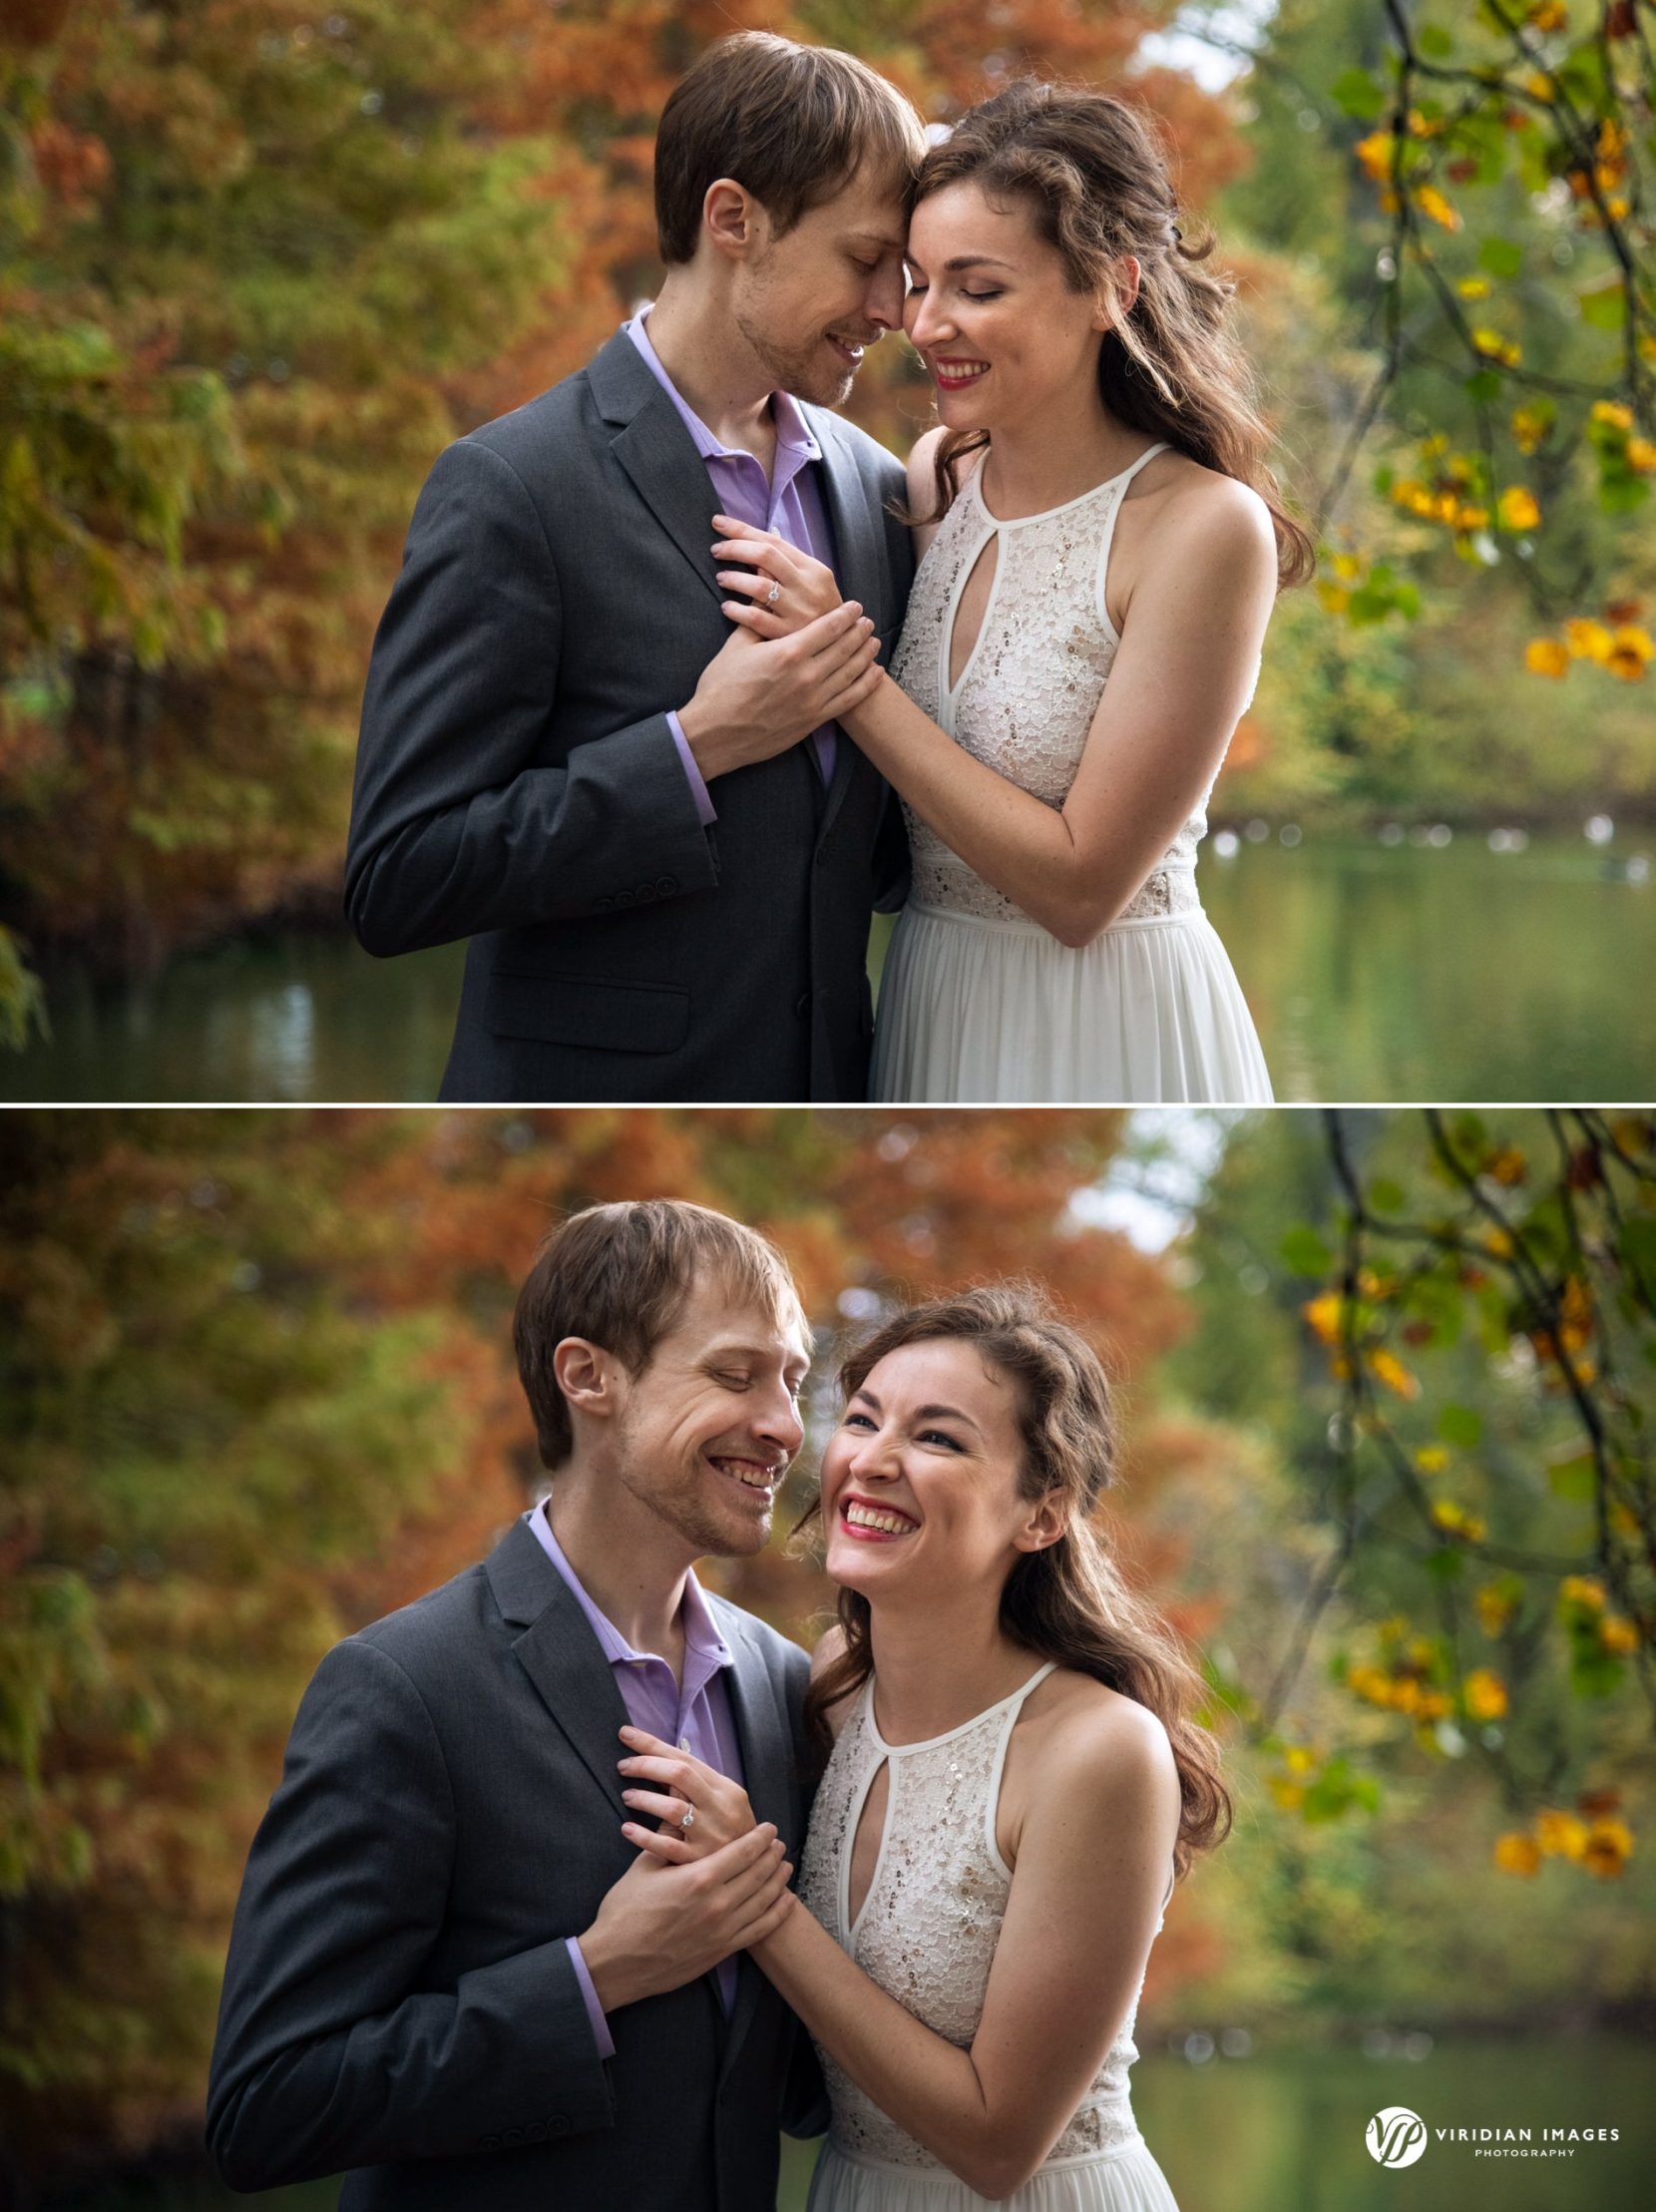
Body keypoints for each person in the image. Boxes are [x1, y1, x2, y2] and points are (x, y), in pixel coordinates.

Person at [207, 1198, 829, 2212]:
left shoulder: (784, 1688)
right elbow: (266, 2106)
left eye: (792, 1382)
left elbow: (803, 2091)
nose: (783, 1425)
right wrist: (594, 1977)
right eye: (734, 1374)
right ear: (588, 1377)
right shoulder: (402, 1687)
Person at [345, 34, 926, 1104]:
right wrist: (696, 749)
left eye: (905, 271)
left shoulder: (881, 492)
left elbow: (884, 861)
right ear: (733, 219)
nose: (893, 309)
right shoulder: (511, 484)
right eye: (862, 259)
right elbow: (398, 878)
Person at [711, 80, 1315, 1103]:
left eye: (977, 289)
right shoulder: (932, 476)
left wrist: (849, 679)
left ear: (1111, 289)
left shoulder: (1202, 527)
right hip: (931, 1002)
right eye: (918, 281)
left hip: (1109, 1021)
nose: (926, 323)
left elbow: (1080, 887)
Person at [613, 1284, 1232, 2210]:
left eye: (937, 1437)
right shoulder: (828, 1689)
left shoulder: (1100, 1751)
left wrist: (756, 1897)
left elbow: (997, 2142)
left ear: (1041, 1513)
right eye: (862, 1420)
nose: (873, 1460)